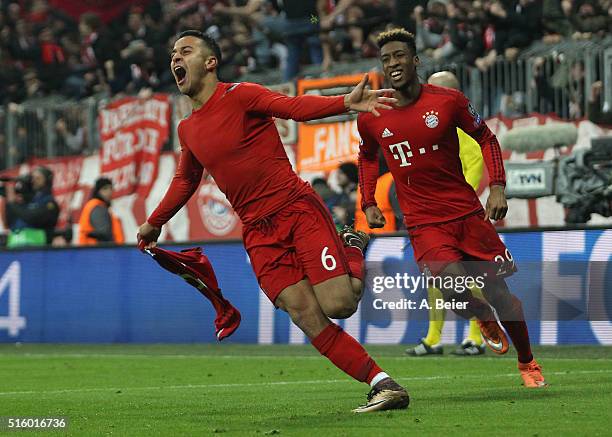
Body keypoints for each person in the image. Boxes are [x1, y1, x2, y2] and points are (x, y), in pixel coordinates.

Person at [137, 30, 409, 412]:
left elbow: (294, 107)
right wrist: (155, 221)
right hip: (258, 232)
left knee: (340, 304)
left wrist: (345, 102)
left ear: (210, 62)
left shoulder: (243, 95)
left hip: (295, 209)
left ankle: (352, 245)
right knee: (304, 314)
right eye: (172, 53)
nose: (175, 58)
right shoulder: (188, 128)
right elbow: (186, 179)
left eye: (185, 50)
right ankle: (383, 384)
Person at [357, 28, 547, 388]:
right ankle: (481, 317)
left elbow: (486, 138)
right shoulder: (372, 113)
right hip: (424, 222)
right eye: (386, 59)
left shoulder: (447, 101)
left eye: (399, 56)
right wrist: (368, 202)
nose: (393, 64)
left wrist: (497, 187)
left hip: (466, 215)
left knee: (501, 295)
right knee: (450, 285)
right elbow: (366, 156)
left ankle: (528, 363)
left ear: (415, 61)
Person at [405, 70, 487, 357]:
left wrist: (458, 203)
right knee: (437, 277)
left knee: (469, 277)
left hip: (459, 215)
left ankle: (476, 337)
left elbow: (475, 163)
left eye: (434, 89)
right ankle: (433, 338)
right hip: (432, 217)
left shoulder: (461, 124)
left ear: (452, 93)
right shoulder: (432, 125)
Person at [3, 166, 59, 247]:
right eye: (32, 178)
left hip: (37, 249)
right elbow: (9, 222)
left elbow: (32, 217)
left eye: (38, 178)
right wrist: (10, 201)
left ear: (47, 180)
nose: (34, 181)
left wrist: (12, 204)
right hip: (14, 249)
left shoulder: (49, 202)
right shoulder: (26, 201)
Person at [78, 177, 125, 245]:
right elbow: (104, 233)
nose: (109, 192)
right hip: (97, 252)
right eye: (105, 189)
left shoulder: (97, 206)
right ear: (98, 191)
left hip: (93, 251)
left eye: (110, 188)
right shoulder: (98, 208)